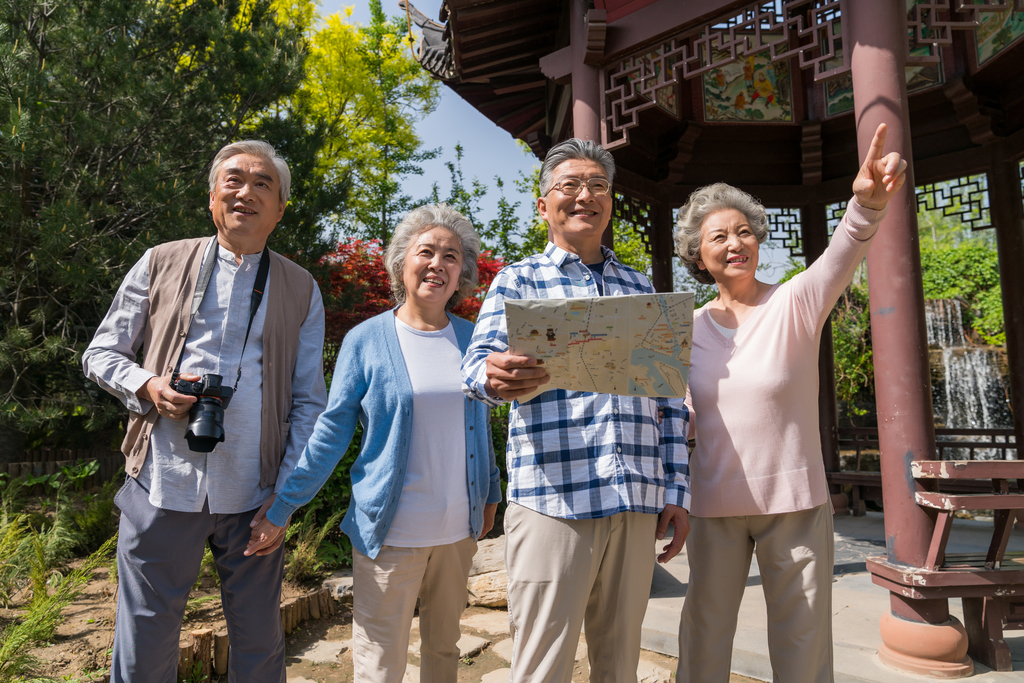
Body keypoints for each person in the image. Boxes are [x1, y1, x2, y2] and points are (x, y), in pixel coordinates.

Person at [83, 140, 327, 683]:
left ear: (281, 208)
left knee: (261, 648)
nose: (246, 192)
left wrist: (285, 501)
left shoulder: (301, 288)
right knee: (144, 645)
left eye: (263, 183)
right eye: (234, 180)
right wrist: (148, 385)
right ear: (212, 196)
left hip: (255, 494)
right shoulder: (159, 262)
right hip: (162, 483)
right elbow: (99, 354)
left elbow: (310, 401)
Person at [672, 123, 907, 683]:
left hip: (795, 503)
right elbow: (669, 409)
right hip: (712, 504)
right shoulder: (682, 327)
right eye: (718, 238)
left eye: (744, 232)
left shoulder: (797, 301)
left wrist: (865, 206)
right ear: (698, 257)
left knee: (802, 642)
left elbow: (841, 255)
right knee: (703, 637)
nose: (735, 243)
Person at [461, 138, 691, 683]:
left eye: (598, 186)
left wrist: (676, 492)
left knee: (619, 664)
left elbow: (670, 402)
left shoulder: (640, 288)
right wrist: (493, 377)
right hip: (551, 498)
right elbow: (473, 372)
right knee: (542, 666)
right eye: (570, 185)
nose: (585, 195)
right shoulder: (517, 281)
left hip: (635, 499)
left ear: (609, 203)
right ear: (543, 205)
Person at [246, 204, 501, 683]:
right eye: (426, 252)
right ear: (401, 262)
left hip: (457, 533)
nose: (438, 264)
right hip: (390, 535)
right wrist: (284, 506)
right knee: (380, 663)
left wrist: (490, 492)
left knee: (444, 652)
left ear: (462, 272)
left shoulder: (474, 339)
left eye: (451, 256)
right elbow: (332, 430)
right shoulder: (366, 340)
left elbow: (480, 424)